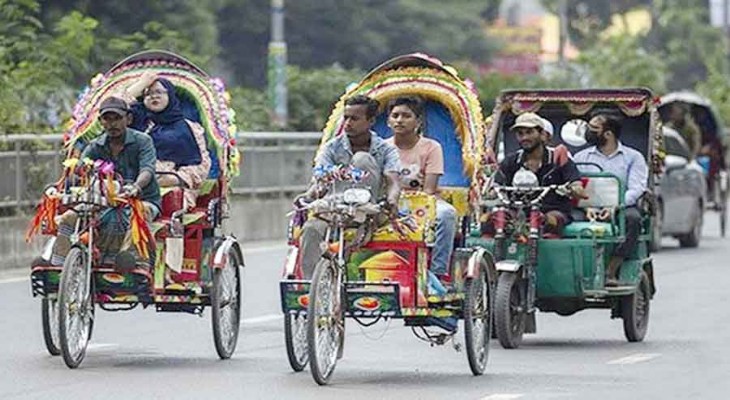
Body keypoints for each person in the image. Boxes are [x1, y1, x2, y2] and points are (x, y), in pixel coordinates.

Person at [50, 96, 161, 270]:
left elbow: (147, 170)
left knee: (140, 213)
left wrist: (136, 187)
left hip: (141, 199)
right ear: (101, 121)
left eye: (117, 118)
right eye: (107, 119)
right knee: (68, 217)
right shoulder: (95, 146)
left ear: (128, 119)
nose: (112, 124)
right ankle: (58, 265)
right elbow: (80, 169)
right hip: (102, 202)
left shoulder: (142, 141)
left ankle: (131, 261)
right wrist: (68, 181)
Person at [296, 95, 401, 278]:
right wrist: (308, 196)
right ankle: (312, 288)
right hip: (333, 208)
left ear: (371, 121)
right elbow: (320, 180)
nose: (348, 123)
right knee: (311, 229)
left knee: (362, 159)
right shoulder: (331, 148)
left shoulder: (386, 149)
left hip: (370, 210)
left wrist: (392, 200)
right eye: (346, 117)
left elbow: (393, 180)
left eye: (355, 118)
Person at [384, 96, 457, 293]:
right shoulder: (382, 147)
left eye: (406, 116)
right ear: (389, 121)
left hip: (422, 201)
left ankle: (438, 273)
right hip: (390, 201)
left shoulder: (431, 147)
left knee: (447, 214)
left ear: (418, 122)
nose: (399, 120)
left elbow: (429, 189)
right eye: (395, 115)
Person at [574, 113, 648, 286]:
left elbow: (637, 188)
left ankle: (612, 269)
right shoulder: (581, 157)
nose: (588, 132)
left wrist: (615, 206)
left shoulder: (633, 157)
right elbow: (575, 184)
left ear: (608, 134)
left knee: (633, 220)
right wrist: (587, 207)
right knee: (565, 220)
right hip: (587, 205)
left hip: (620, 206)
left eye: (594, 129)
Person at [122, 72, 211, 210]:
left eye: (159, 92)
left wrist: (175, 179)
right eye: (148, 93)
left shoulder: (190, 128)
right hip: (131, 185)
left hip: (171, 189)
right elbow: (112, 108)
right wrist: (141, 84)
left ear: (170, 95)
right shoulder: (134, 122)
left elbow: (201, 166)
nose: (154, 96)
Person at [492, 112, 586, 235]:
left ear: (542, 134)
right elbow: (496, 185)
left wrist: (572, 189)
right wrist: (490, 191)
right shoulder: (511, 161)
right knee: (492, 219)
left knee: (551, 221)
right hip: (517, 211)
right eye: (520, 133)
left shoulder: (559, 159)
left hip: (552, 211)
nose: (524, 137)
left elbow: (578, 187)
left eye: (529, 132)